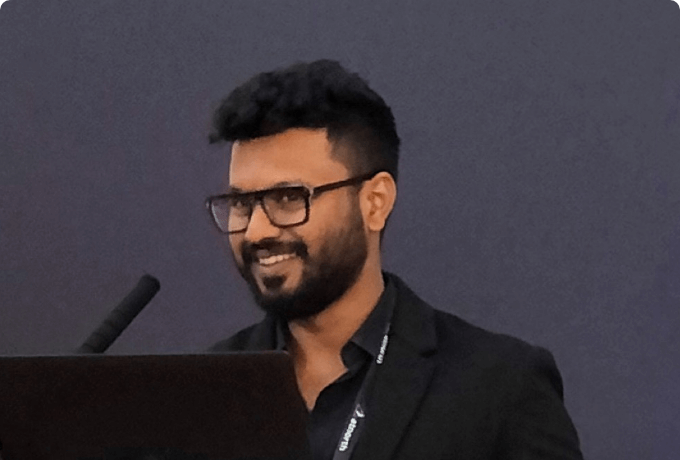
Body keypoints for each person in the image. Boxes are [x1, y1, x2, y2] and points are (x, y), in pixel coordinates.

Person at [206, 60, 583, 460]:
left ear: (375, 202)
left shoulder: (500, 388)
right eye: (241, 203)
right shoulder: (203, 388)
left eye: (288, 198)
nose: (256, 231)